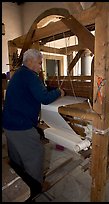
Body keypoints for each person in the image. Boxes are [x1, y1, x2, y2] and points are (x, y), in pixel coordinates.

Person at [2, 48, 65, 202]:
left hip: (8, 124)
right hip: (21, 126)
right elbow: (44, 98)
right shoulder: (30, 76)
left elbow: (35, 92)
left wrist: (48, 89)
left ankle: (20, 179)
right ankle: (36, 187)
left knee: (16, 156)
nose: (40, 66)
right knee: (35, 154)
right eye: (39, 62)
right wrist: (59, 93)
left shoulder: (18, 74)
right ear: (29, 61)